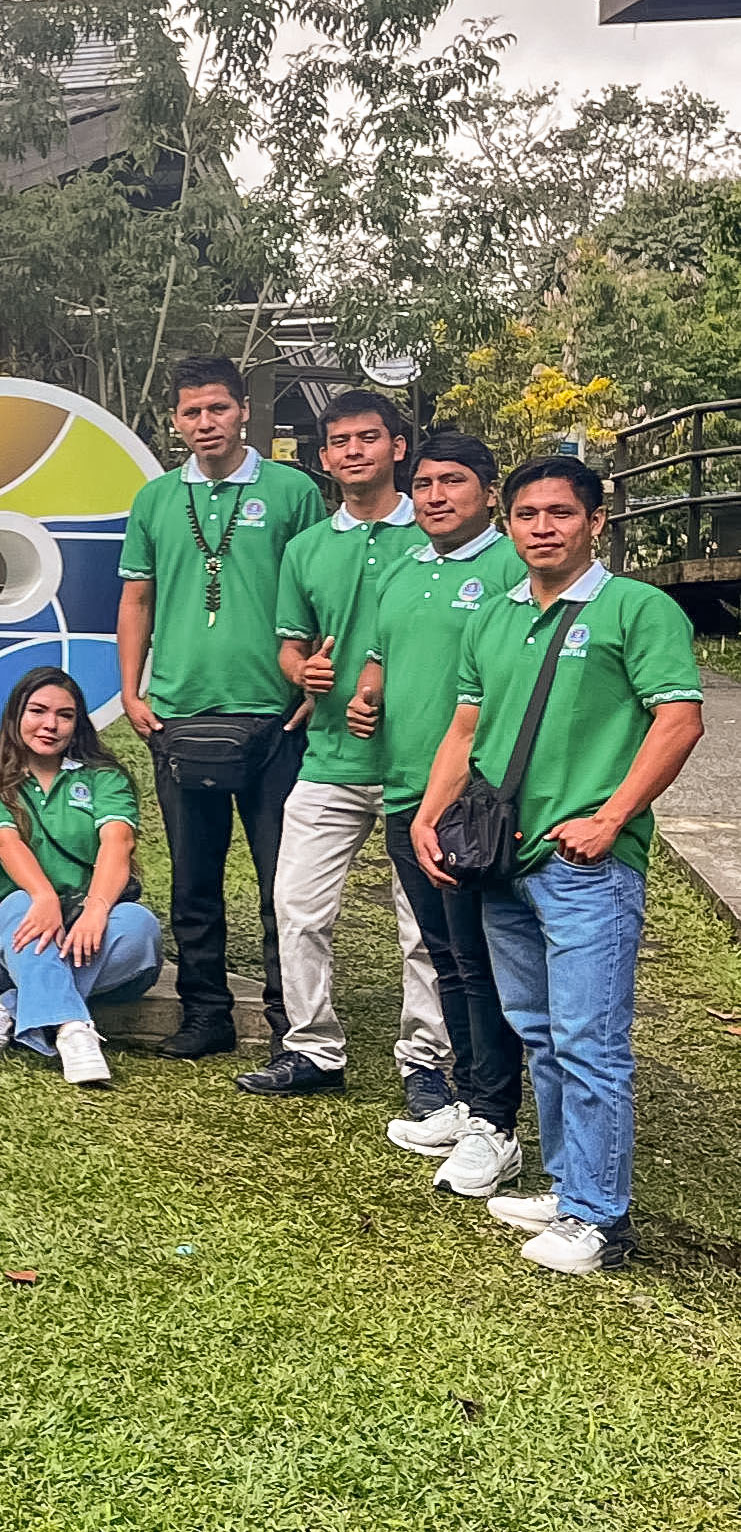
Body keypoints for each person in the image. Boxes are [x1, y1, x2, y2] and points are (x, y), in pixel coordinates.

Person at [414, 456, 704, 1276]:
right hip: (504, 859)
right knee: (539, 1033)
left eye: (560, 514)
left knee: (588, 1041)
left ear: (594, 523)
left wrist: (612, 816)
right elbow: (465, 730)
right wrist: (430, 816)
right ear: (507, 525)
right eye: (526, 514)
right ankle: (571, 1185)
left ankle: (599, 1223)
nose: (542, 527)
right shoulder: (496, 616)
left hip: (585, 866)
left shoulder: (634, 609)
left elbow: (677, 721)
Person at [249, 390, 454, 1105]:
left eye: (368, 438)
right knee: (296, 905)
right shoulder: (306, 548)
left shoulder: (433, 536)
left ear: (398, 447)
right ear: (323, 457)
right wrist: (300, 672)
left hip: (420, 765)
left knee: (421, 925)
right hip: (329, 757)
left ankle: (425, 1061)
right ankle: (311, 1049)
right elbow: (288, 644)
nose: (352, 452)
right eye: (338, 442)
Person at [118, 352, 324, 1059]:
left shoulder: (293, 491)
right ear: (173, 421)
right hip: (178, 713)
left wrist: (308, 685)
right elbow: (135, 598)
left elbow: (317, 595)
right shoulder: (153, 500)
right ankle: (204, 1014)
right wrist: (130, 691)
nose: (204, 423)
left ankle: (287, 1020)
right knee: (192, 881)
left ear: (242, 411)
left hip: (272, 715)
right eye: (190, 412)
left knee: (280, 881)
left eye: (217, 409)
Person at [354, 433, 530, 1197]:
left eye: (451, 481)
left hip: (473, 806)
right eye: (422, 483)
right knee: (447, 960)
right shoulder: (403, 570)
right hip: (406, 795)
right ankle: (466, 1100)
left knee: (481, 964)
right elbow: (382, 658)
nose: (432, 495)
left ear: (487, 493)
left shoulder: (511, 571)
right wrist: (367, 697)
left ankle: (495, 1120)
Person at [0, 666, 167, 1089]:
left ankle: (13, 1007)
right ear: (16, 715)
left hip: (87, 930)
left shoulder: (102, 776)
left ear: (78, 724)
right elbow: (3, 842)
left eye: (65, 715)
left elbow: (117, 841)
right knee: (23, 905)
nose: (50, 725)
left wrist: (95, 909)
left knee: (139, 926)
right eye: (37, 711)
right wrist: (45, 897)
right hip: (8, 940)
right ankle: (74, 1030)